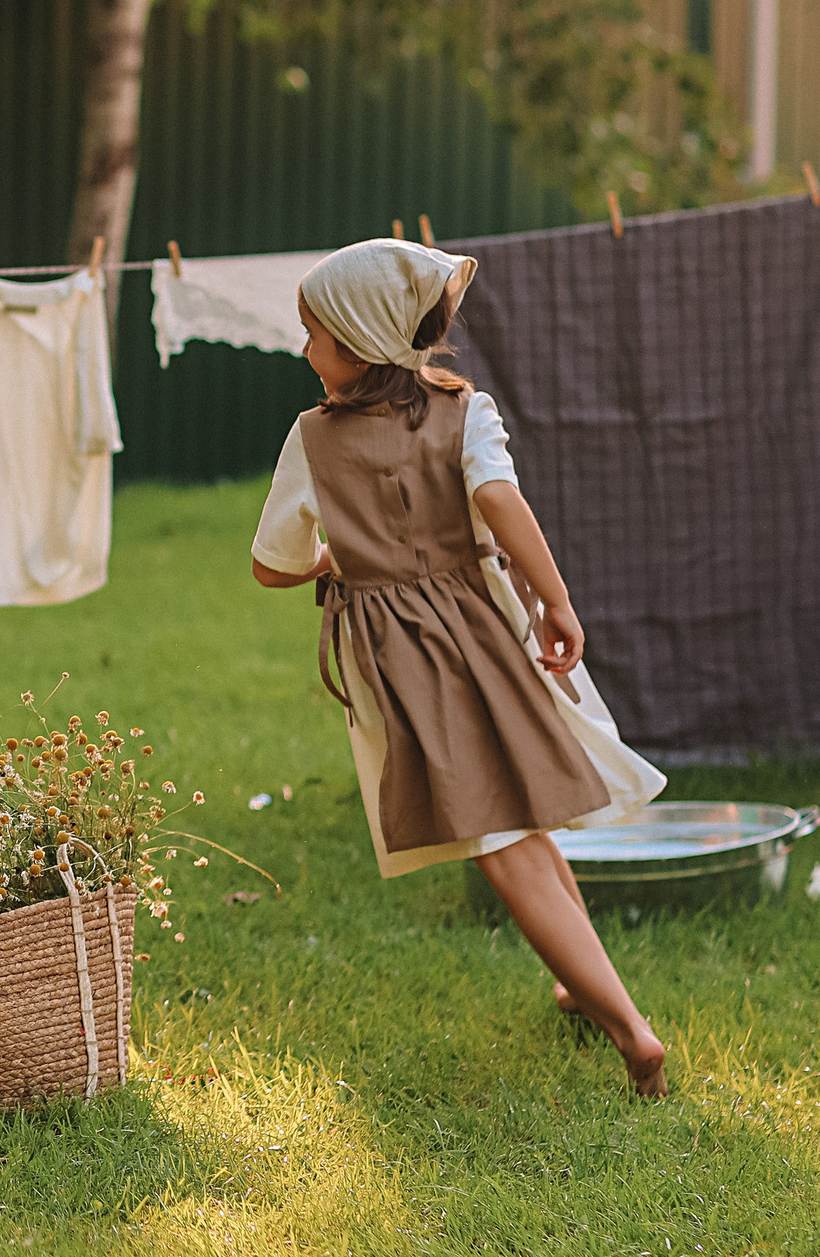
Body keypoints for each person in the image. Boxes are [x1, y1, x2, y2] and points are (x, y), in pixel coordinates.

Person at [250, 239, 671, 1098]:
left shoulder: (312, 440)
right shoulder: (463, 409)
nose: (304, 352)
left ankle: (631, 1028)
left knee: (501, 842)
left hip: (404, 660)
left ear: (360, 340)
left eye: (314, 335)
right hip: (487, 633)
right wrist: (556, 600)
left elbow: (271, 562)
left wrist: (334, 558)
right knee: (526, 819)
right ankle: (583, 991)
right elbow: (499, 499)